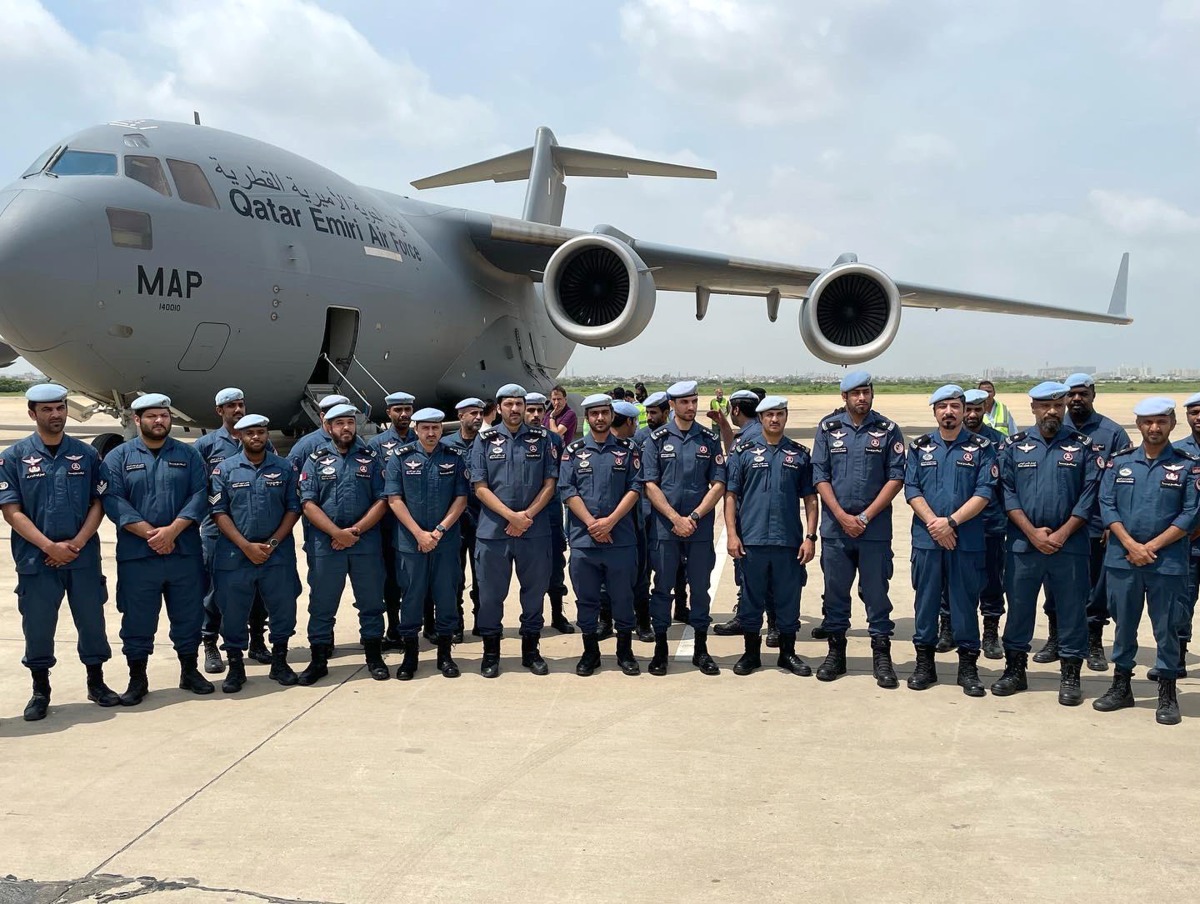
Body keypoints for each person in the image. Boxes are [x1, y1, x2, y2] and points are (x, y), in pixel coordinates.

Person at [0, 384, 117, 721]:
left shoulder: (87, 454)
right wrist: (49, 546)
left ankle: (96, 683)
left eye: (60, 408)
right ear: (32, 413)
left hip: (82, 556)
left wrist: (77, 543)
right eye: (48, 409)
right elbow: (12, 511)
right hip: (36, 558)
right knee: (37, 625)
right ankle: (40, 690)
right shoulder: (13, 457)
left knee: (91, 621)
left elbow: (99, 503)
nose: (56, 415)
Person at [992, 382, 1103, 706]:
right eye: (1044, 405)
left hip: (1069, 546)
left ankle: (1070, 674)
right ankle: (1015, 670)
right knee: (1020, 609)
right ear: (1033, 408)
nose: (1051, 411)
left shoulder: (1082, 446)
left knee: (1071, 611)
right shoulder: (1014, 446)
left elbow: (1088, 496)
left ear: (1065, 406)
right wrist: (1032, 533)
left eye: (1057, 404)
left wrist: (1062, 534)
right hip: (1024, 547)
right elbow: (1007, 493)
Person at [1093, 397, 1200, 725]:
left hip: (1166, 562)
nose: (1154, 428)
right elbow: (1106, 504)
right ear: (1138, 425)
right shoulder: (1119, 462)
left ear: (1171, 423)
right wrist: (1129, 543)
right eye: (1147, 422)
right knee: (1124, 625)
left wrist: (1150, 546)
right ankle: (1121, 685)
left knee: (1167, 627)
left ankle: (1167, 692)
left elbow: (1191, 512)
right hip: (1123, 560)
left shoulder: (1186, 465)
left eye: (1161, 421)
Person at [102, 393, 213, 705]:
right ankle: (138, 677)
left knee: (189, 614)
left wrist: (174, 530)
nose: (159, 421)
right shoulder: (118, 458)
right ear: (137, 420)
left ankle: (189, 671)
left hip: (183, 552)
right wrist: (152, 534)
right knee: (137, 619)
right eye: (152, 416)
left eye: (164, 416)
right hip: (139, 556)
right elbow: (113, 500)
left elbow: (201, 494)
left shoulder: (188, 456)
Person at [810, 371, 906, 688]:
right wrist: (840, 515)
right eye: (855, 393)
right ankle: (836, 654)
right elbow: (820, 476)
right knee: (836, 595)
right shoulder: (827, 429)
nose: (861, 398)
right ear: (844, 397)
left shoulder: (888, 430)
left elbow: (895, 478)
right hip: (836, 531)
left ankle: (882, 656)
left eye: (866, 391)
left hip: (874, 530)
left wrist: (864, 518)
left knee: (877, 595)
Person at [904, 385, 997, 696]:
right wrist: (935, 524)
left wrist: (951, 522)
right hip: (928, 540)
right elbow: (912, 490)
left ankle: (968, 668)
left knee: (964, 603)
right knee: (926, 603)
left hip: (965, 539)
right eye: (942, 406)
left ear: (963, 410)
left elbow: (984, 493)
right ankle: (924, 664)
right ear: (934, 411)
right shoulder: (919, 447)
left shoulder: (982, 447)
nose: (949, 412)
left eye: (955, 406)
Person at [1037, 373, 1133, 672]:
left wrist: (1111, 522)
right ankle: (1055, 637)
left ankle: (1093, 642)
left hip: (1096, 528)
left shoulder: (1112, 433)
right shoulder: (1053, 427)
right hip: (1058, 529)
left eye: (1083, 393)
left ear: (1093, 395)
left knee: (1095, 589)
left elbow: (1123, 479)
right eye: (1071, 394)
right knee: (1054, 587)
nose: (1077, 399)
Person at [468, 383, 559, 677]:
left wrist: (527, 516)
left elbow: (550, 483)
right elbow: (480, 488)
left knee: (534, 594)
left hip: (534, 531)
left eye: (520, 404)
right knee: (491, 595)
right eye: (509, 404)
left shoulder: (543, 439)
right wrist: (511, 516)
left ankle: (531, 651)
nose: (516, 409)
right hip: (493, 533)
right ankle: (491, 653)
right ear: (499, 408)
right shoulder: (484, 440)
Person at [724, 395, 818, 677]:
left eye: (779, 414)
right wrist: (732, 534)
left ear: (786, 417)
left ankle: (787, 654)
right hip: (751, 540)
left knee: (788, 600)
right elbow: (730, 496)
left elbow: (811, 499)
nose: (774, 419)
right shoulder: (744, 453)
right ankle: (751, 653)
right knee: (751, 600)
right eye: (769, 415)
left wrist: (810, 537)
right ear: (761, 419)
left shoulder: (799, 455)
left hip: (788, 541)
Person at [209, 415, 303, 694]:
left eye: (261, 432)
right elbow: (218, 512)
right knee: (233, 611)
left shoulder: (284, 468)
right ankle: (236, 666)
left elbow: (293, 508)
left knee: (283, 608)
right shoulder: (224, 470)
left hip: (277, 554)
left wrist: (272, 543)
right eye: (250, 432)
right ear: (239, 436)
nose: (256, 437)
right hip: (235, 554)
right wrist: (245, 546)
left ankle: (280, 661)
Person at [297, 404, 390, 685]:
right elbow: (307, 503)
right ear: (329, 427)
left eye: (350, 422)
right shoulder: (314, 459)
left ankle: (374, 657)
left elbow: (383, 499)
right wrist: (337, 533)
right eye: (339, 423)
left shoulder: (370, 458)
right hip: (326, 545)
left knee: (372, 601)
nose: (346, 428)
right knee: (322, 604)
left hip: (365, 543)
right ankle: (319, 660)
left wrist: (356, 531)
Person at [641, 380, 727, 676]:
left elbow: (718, 483)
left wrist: (694, 516)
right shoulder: (656, 440)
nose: (692, 407)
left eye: (694, 401)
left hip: (699, 529)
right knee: (663, 588)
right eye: (685, 403)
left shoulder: (708, 438)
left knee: (700, 589)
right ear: (673, 406)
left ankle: (701, 649)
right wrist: (675, 519)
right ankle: (660, 648)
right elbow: (650, 484)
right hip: (665, 530)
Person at [560, 394, 643, 676]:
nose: (599, 418)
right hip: (585, 541)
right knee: (586, 599)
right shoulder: (573, 451)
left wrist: (609, 522)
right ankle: (590, 652)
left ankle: (625, 651)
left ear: (610, 415)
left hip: (620, 539)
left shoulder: (627, 449)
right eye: (594, 413)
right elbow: (567, 490)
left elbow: (635, 487)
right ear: (587, 417)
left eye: (604, 413)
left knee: (622, 598)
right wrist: (593, 524)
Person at [386, 408, 470, 679]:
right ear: (416, 429)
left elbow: (461, 498)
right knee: (411, 598)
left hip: (444, 543)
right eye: (425, 428)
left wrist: (439, 530)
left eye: (436, 428)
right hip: (411, 544)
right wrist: (419, 534)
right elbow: (394, 499)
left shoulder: (454, 457)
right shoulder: (400, 458)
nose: (431, 433)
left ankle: (445, 655)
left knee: (446, 596)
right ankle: (410, 656)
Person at [195, 388, 274, 673]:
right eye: (231, 406)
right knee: (215, 591)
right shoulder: (206, 445)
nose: (237, 410)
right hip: (218, 530)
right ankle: (210, 644)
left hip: (256, 531)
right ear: (220, 411)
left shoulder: (261, 441)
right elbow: (198, 488)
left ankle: (256, 641)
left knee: (258, 589)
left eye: (241, 404)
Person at [1154, 390, 1200, 679]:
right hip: (1188, 546)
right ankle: (1177, 659)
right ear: (1186, 417)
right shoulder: (1177, 453)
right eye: (1194, 412)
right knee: (1180, 605)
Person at [959, 388, 1008, 659]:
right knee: (952, 581)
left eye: (978, 409)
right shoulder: (950, 439)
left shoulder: (1000, 443)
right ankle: (948, 628)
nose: (973, 414)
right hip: (957, 527)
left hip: (990, 524)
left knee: (992, 582)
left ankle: (990, 633)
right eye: (968, 409)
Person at [368, 391, 418, 646]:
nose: (404, 414)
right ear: (388, 412)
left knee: (416, 576)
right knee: (390, 577)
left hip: (418, 520)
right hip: (388, 523)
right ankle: (394, 626)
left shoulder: (420, 439)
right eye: (398, 410)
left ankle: (423, 625)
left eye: (408, 409)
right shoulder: (376, 445)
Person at [525, 392, 574, 634]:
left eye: (539, 411)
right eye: (530, 410)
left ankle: (557, 614)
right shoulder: (509, 440)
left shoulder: (553, 440)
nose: (535, 415)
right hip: (520, 516)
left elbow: (559, 477)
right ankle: (530, 620)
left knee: (555, 565)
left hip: (550, 513)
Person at [442, 397, 485, 640]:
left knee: (482, 576)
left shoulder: (489, 443)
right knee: (454, 576)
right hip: (455, 521)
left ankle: (482, 619)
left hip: (482, 520)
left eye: (480, 413)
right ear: (460, 416)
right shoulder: (446, 444)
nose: (478, 417)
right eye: (472, 413)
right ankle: (456, 622)